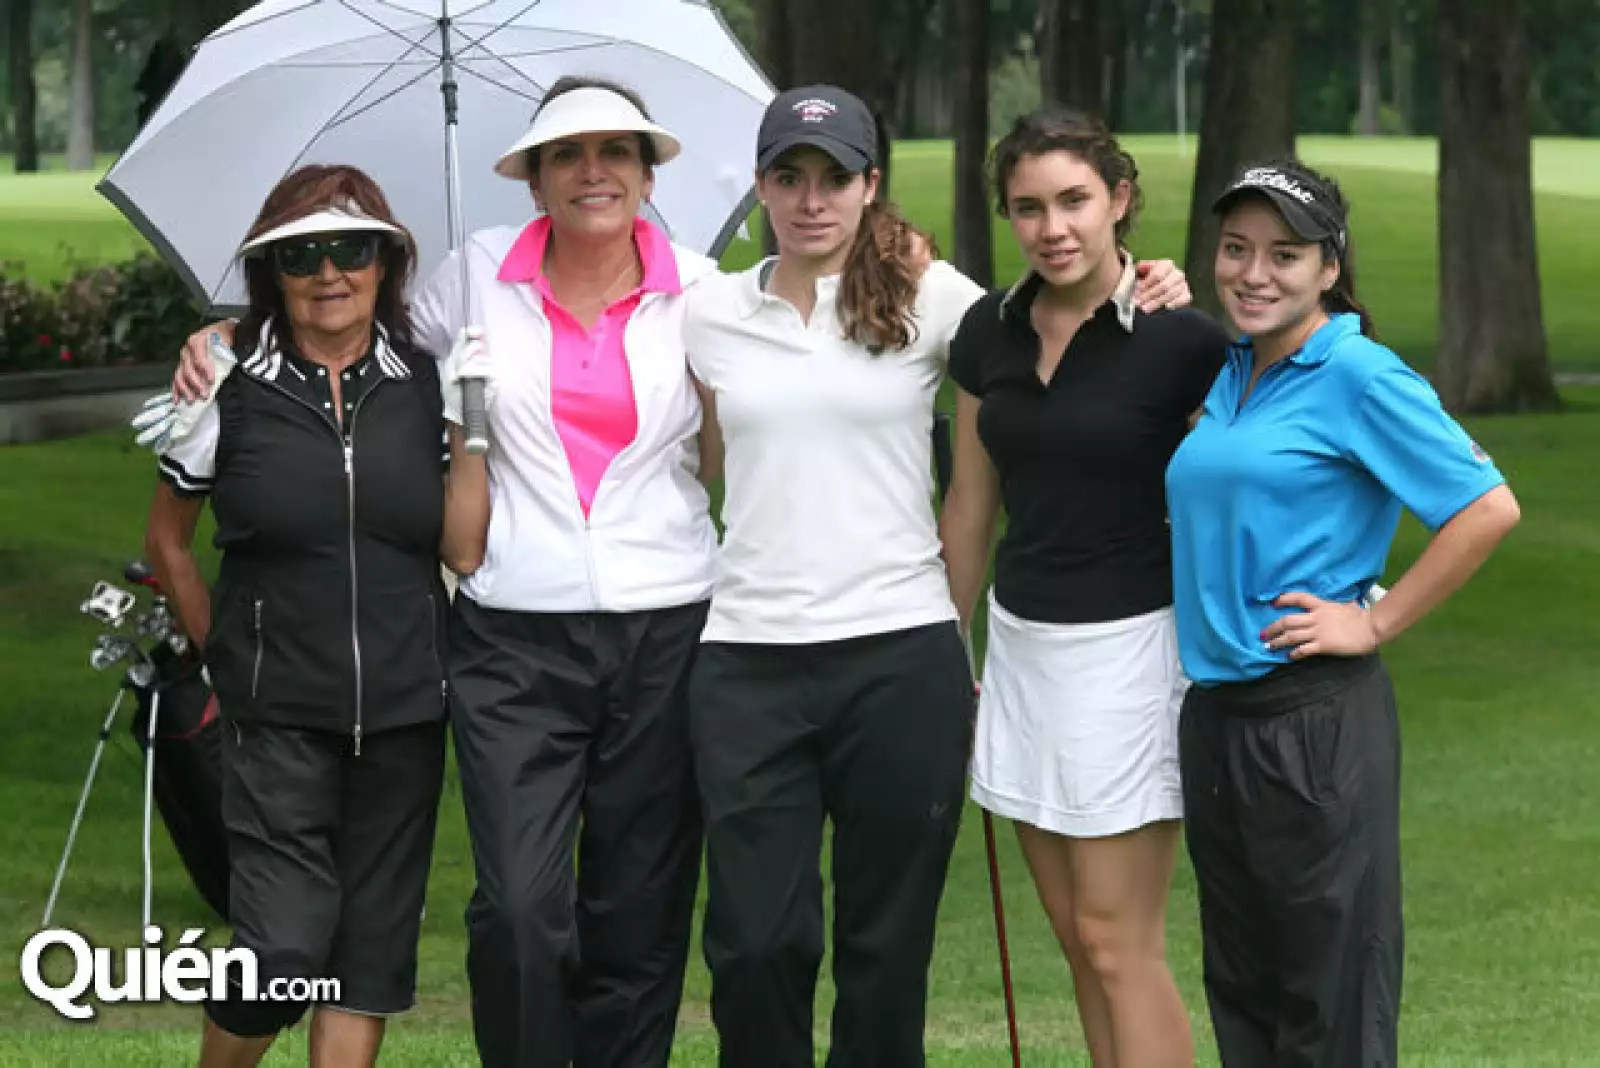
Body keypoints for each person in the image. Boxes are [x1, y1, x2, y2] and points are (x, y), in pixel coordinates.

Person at [167, 78, 721, 1068]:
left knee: (638, 905)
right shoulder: (473, 278)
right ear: (535, 180)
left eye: (615, 151)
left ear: (648, 173)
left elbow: (788, 366)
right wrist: (224, 338)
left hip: (666, 625)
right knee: (519, 908)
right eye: (565, 154)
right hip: (513, 635)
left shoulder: (705, 291)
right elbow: (344, 331)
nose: (592, 171)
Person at [682, 88, 1193, 1067]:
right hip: (747, 658)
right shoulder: (707, 310)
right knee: (754, 941)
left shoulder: (937, 298)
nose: (812, 200)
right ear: (759, 188)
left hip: (900, 655)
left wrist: (1150, 282)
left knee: (885, 946)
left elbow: (1065, 314)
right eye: (789, 177)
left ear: (871, 185)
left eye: (835, 177)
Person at [1165, 159, 1522, 1067]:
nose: (1254, 273)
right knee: (1245, 992)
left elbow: (1487, 508)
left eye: (1284, 255)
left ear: (1329, 267)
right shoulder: (1232, 370)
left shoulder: (1359, 374)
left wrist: (1372, 622)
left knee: (1330, 1000)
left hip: (1312, 721)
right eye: (1237, 249)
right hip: (1217, 719)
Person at [141, 164, 479, 1068]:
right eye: (302, 254)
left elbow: (463, 545)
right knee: (282, 954)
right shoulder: (224, 385)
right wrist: (224, 657)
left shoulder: (430, 383)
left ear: (387, 263)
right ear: (271, 272)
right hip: (276, 718)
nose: (330, 272)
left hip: (407, 713)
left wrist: (472, 418)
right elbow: (168, 541)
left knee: (367, 961)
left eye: (352, 249)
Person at [937, 108, 1226, 1068]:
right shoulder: (987, 329)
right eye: (1029, 208)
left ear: (1119, 199)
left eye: (1075, 201)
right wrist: (945, 649)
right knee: (1075, 938)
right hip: (1023, 648)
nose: (1053, 227)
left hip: (1133, 650)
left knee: (1116, 939)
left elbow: (1243, 488)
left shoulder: (1183, 340)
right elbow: (970, 506)